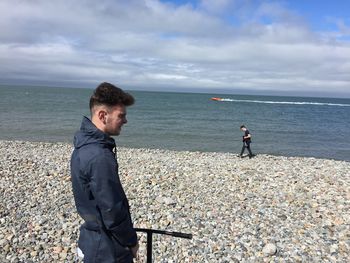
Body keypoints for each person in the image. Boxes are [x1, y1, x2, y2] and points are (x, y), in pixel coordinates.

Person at [70, 82, 139, 262]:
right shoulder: (99, 156)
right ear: (103, 115)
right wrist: (130, 241)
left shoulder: (83, 144)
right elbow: (111, 209)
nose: (125, 120)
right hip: (107, 248)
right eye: (121, 115)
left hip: (93, 238)